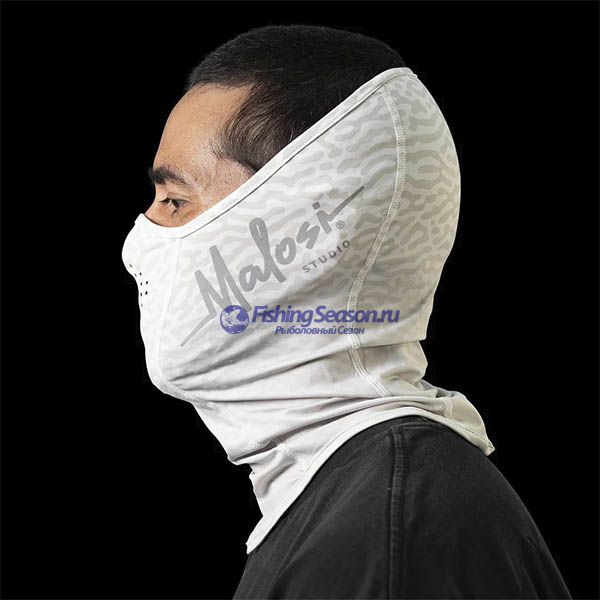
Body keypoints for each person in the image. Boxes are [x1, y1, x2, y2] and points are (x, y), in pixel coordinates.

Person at [121, 24, 572, 599]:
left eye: (175, 200)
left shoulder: (393, 534)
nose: (138, 243)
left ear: (306, 225)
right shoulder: (369, 498)